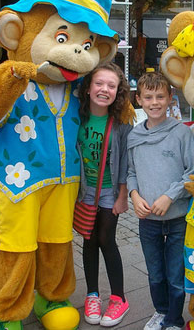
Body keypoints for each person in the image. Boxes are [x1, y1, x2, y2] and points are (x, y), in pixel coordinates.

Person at [127, 72, 194, 330]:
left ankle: (174, 319)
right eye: (148, 97)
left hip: (178, 218)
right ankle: (161, 311)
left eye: (160, 96)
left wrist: (170, 196)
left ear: (170, 98)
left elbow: (192, 172)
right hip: (148, 220)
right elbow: (131, 172)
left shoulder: (182, 133)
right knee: (156, 273)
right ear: (138, 100)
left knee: (176, 275)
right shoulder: (134, 136)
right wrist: (134, 195)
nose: (154, 102)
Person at [77, 62, 133, 327]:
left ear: (117, 92)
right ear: (88, 88)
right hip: (84, 190)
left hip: (110, 191)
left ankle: (119, 298)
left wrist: (123, 196)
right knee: (88, 240)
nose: (104, 89)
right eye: (99, 83)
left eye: (111, 85)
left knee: (106, 239)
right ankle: (92, 295)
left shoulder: (121, 123)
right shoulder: (76, 117)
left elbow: (126, 163)